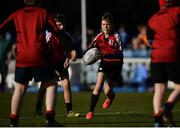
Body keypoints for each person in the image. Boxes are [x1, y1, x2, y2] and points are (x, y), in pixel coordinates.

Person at [0, 0, 63, 126]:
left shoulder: (16, 14)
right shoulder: (42, 12)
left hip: (22, 57)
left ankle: (13, 122)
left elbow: (1, 28)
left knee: (20, 88)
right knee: (51, 84)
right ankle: (50, 119)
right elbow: (56, 30)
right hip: (38, 55)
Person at [34, 13, 80, 118]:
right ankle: (37, 110)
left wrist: (67, 60)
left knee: (66, 84)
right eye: (59, 24)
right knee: (43, 87)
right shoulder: (48, 35)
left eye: (63, 24)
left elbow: (69, 50)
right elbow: (42, 52)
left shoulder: (66, 36)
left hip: (60, 62)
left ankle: (70, 112)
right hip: (48, 63)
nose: (61, 27)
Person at [147, 0, 180, 126]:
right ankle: (166, 108)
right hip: (173, 53)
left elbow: (150, 41)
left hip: (156, 56)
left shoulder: (153, 18)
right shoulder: (177, 12)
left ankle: (157, 121)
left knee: (159, 88)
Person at [85, 12, 124, 119]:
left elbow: (120, 54)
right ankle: (90, 111)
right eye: (103, 24)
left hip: (116, 65)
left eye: (107, 24)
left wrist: (104, 54)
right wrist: (88, 55)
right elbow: (89, 49)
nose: (105, 27)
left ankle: (111, 96)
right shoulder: (98, 37)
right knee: (97, 87)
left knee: (107, 91)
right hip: (104, 63)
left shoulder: (116, 36)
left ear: (112, 25)